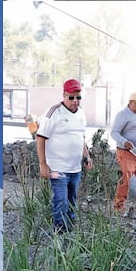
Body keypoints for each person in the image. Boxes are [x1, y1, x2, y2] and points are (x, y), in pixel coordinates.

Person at [35, 79, 92, 232]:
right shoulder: (54, 112)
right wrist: (43, 164)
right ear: (64, 95)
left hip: (75, 169)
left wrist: (86, 156)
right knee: (61, 200)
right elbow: (40, 138)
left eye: (78, 97)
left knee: (72, 200)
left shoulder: (81, 114)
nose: (75, 101)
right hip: (57, 168)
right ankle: (59, 232)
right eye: (71, 97)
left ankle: (70, 230)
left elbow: (81, 137)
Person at [111, 92, 136, 213]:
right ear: (130, 103)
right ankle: (119, 206)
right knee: (125, 178)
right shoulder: (123, 115)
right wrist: (124, 142)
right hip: (127, 152)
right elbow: (114, 133)